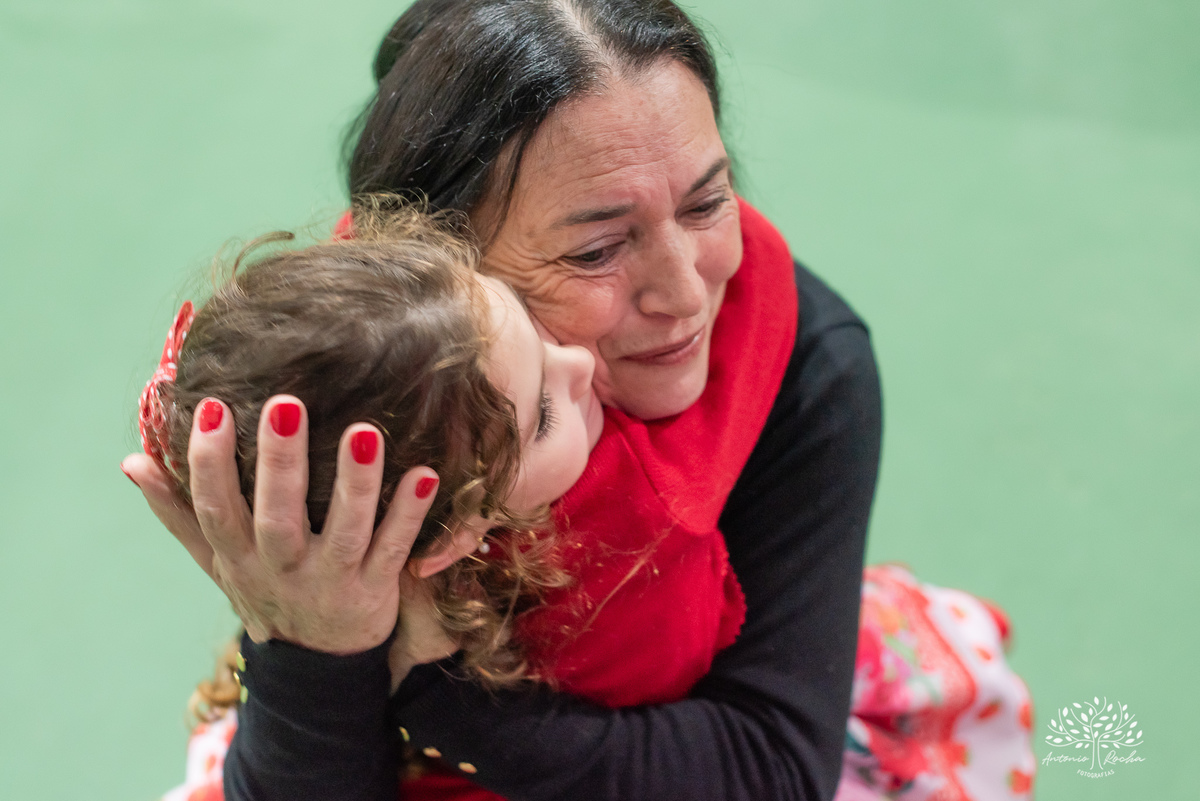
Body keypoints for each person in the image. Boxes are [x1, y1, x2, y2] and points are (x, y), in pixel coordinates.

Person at [126, 1, 885, 799]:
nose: (687, 293)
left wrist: (413, 678)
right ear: (442, 263)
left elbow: (775, 766)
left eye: (705, 201)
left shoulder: (804, 359)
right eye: (597, 249)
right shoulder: (368, 378)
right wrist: (311, 649)